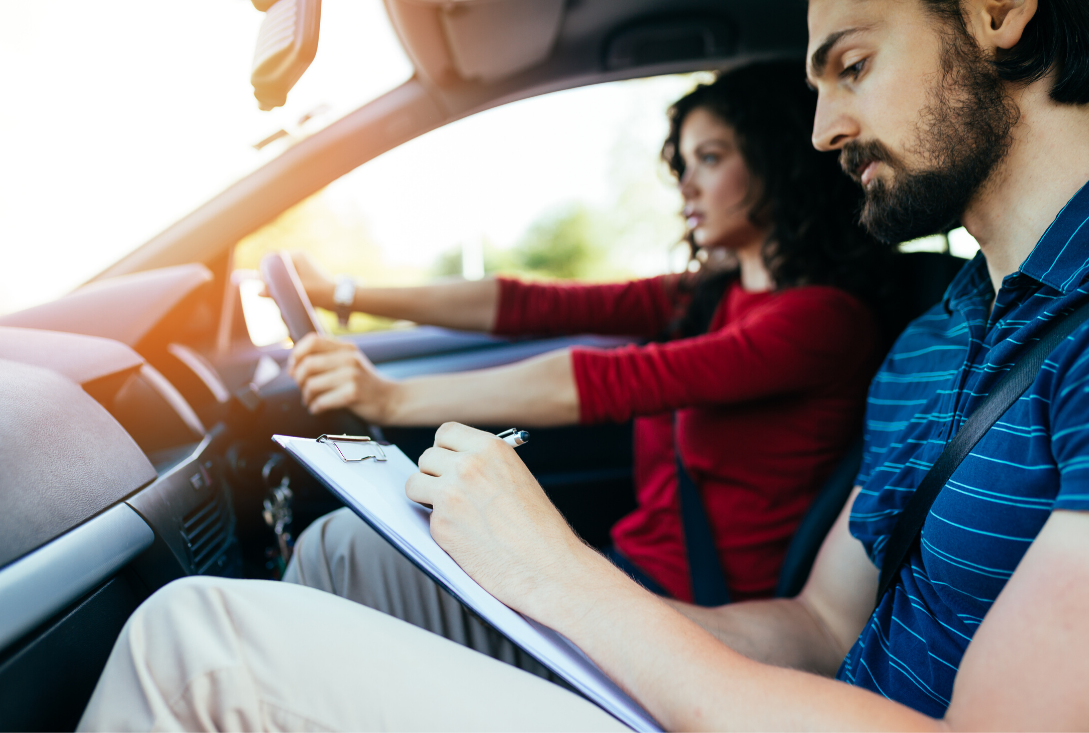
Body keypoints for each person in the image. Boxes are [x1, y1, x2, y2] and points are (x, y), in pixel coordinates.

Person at [80, 0, 1089, 729]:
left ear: (997, 11)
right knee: (337, 556)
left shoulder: (861, 324)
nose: (825, 126)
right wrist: (352, 296)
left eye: (852, 65)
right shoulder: (931, 339)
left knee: (195, 646)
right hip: (761, 689)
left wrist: (561, 579)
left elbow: (610, 379)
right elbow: (822, 622)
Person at [282, 60, 886, 603]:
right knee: (345, 546)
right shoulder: (711, 293)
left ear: (776, 159)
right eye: (683, 162)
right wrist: (347, 294)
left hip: (679, 619)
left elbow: (609, 381)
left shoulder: (820, 320)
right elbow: (532, 306)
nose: (687, 186)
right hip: (621, 577)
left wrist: (389, 396)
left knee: (340, 548)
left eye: (710, 157)